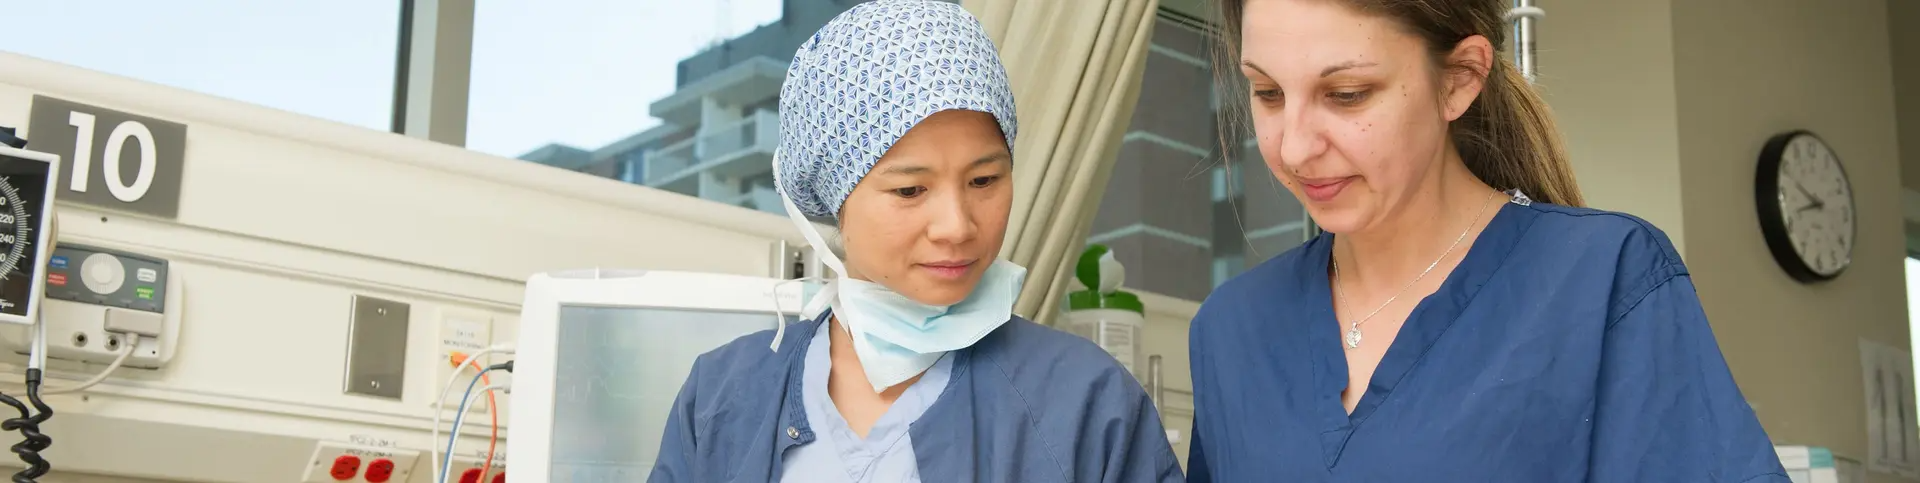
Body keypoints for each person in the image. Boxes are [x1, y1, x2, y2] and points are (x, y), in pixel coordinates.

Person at [1185, 0, 1790, 481]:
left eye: (1346, 95)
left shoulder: (1602, 281)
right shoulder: (1232, 331)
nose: (1293, 148)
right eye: (1267, 94)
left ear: (1460, 79)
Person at [647, 1, 1184, 482]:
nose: (956, 225)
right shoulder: (722, 398)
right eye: (910, 189)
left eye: (984, 181)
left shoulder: (1087, 404)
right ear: (834, 198)